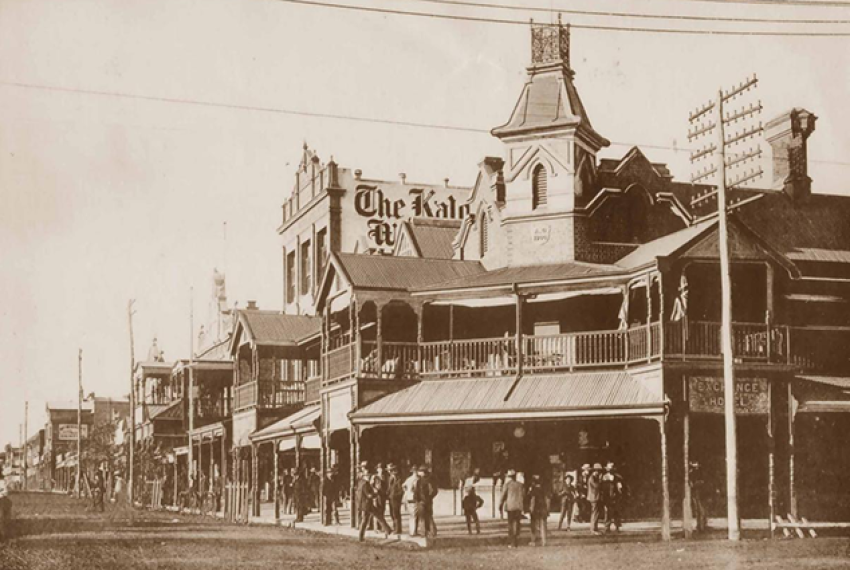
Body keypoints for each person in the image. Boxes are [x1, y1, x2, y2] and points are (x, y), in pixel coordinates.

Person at [357, 467, 392, 542]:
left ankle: (361, 537)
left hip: (364, 504)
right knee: (377, 517)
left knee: (366, 520)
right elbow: (368, 495)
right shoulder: (365, 484)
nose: (369, 477)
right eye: (368, 476)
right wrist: (375, 493)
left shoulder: (360, 482)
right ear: (365, 476)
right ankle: (388, 530)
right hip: (367, 505)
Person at [500, 469, 524, 548]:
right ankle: (516, 539)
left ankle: (512, 541)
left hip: (510, 506)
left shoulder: (507, 485)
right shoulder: (520, 485)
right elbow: (523, 495)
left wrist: (500, 504)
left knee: (510, 524)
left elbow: (503, 496)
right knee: (517, 523)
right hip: (518, 506)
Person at [413, 465, 438, 539]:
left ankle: (428, 532)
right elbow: (417, 491)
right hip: (423, 501)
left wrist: (427, 498)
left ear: (423, 472)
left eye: (420, 471)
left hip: (424, 501)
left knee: (425, 517)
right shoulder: (421, 480)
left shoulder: (426, 481)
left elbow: (433, 491)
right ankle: (429, 531)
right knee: (426, 516)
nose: (418, 472)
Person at [602, 461, 625, 533]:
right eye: (609, 468)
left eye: (611, 468)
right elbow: (602, 488)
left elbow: (620, 487)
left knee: (616, 512)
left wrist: (619, 493)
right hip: (607, 497)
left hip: (616, 497)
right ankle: (607, 527)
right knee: (607, 512)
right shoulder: (604, 477)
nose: (610, 470)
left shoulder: (618, 477)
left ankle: (617, 527)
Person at [527, 473, 548, 546]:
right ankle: (544, 541)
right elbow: (547, 499)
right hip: (543, 508)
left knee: (533, 525)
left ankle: (533, 541)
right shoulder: (543, 489)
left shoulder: (533, 490)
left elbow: (532, 500)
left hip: (535, 509)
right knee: (543, 525)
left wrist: (531, 509)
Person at [689, 461, 708, 533]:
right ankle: (699, 527)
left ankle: (701, 527)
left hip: (700, 494)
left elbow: (702, 482)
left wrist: (695, 484)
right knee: (698, 511)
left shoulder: (700, 472)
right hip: (696, 494)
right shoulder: (693, 472)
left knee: (701, 511)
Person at [387, 463, 404, 535]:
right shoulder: (390, 478)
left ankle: (398, 529)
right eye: (390, 470)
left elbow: (401, 490)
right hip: (390, 498)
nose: (391, 472)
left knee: (396, 513)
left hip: (396, 499)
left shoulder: (399, 479)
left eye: (392, 470)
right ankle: (395, 528)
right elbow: (389, 488)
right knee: (392, 513)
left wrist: (397, 496)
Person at [402, 466, 419, 536]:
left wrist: (406, 491)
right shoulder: (417, 479)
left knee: (412, 515)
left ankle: (412, 531)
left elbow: (403, 485)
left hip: (408, 497)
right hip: (414, 498)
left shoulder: (409, 479)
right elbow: (414, 488)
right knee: (414, 515)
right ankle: (413, 532)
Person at [587, 463, 603, 535]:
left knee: (596, 513)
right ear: (595, 471)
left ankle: (595, 528)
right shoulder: (592, 478)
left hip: (596, 497)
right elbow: (596, 486)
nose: (598, 472)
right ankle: (593, 529)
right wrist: (600, 480)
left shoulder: (594, 477)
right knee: (594, 513)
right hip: (594, 497)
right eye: (597, 471)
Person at [0, 473, 11, 542]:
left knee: (1, 517)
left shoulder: (1, 482)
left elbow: (5, 492)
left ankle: (2, 535)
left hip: (1, 500)